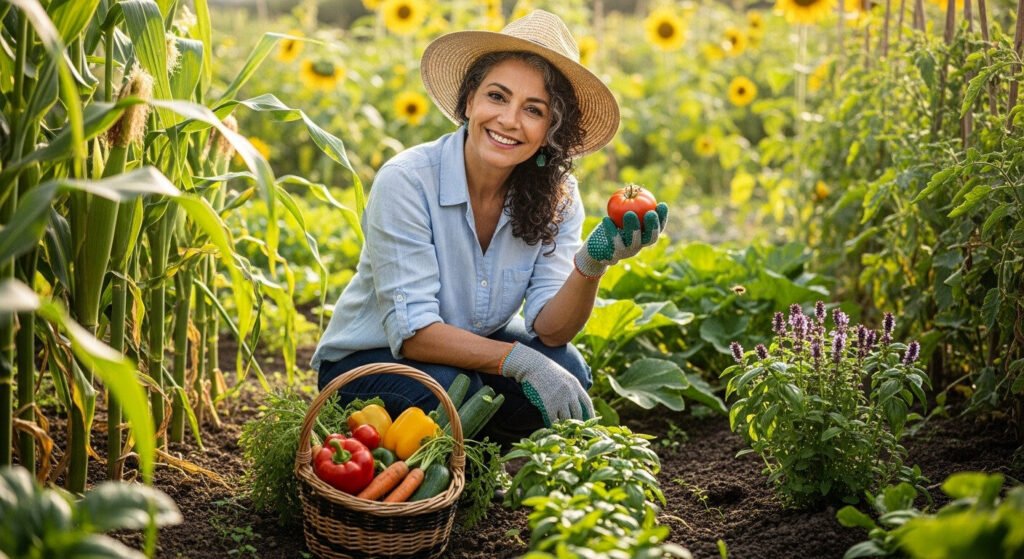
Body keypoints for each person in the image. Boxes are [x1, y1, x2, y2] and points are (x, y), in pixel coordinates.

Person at [311, 10, 668, 446]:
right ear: (468, 102)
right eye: (497, 97)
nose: (509, 120)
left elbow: (551, 330)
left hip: (469, 353)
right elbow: (415, 333)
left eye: (533, 110)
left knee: (567, 369)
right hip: (368, 361)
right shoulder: (407, 180)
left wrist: (592, 264)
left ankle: (475, 458)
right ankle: (470, 456)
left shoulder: (559, 195)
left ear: (550, 132)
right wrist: (520, 362)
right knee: (454, 392)